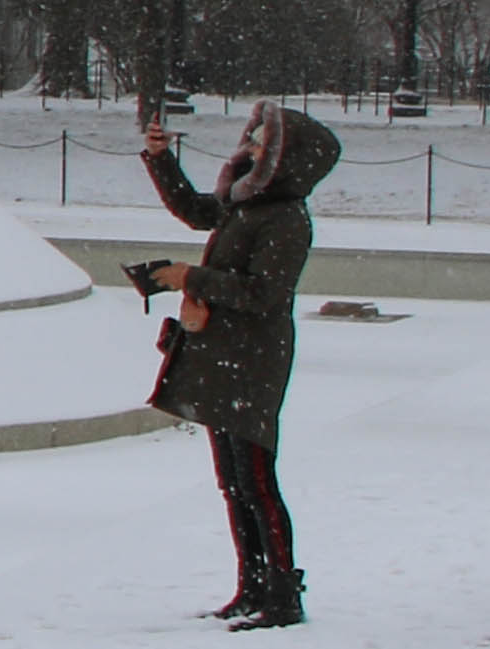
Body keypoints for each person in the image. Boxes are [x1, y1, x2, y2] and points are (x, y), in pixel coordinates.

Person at [139, 99, 340, 632]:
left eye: (257, 139)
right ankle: (250, 585)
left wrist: (193, 279)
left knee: (255, 480)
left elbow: (266, 294)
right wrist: (162, 159)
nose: (245, 145)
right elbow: (196, 210)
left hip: (252, 361)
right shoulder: (246, 203)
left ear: (280, 156)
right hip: (223, 357)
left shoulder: (285, 218)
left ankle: (282, 593)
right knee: (232, 480)